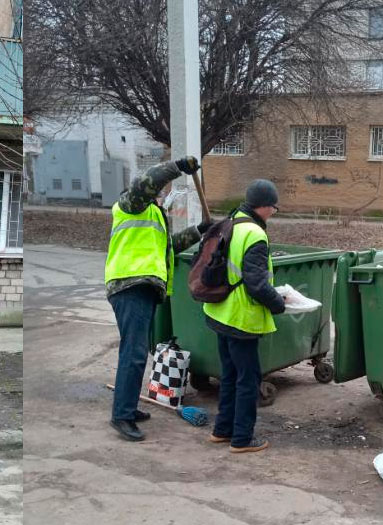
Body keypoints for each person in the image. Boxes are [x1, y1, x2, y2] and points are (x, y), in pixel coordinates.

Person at [105, 156, 212, 442]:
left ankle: (126, 407)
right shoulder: (130, 205)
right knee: (134, 352)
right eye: (159, 191)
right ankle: (122, 416)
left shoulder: (153, 216)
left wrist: (201, 231)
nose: (162, 195)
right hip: (130, 285)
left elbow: (170, 248)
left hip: (144, 287)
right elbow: (146, 183)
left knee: (137, 352)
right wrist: (177, 167)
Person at [203, 179, 287, 453]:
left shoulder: (233, 220)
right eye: (273, 207)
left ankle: (222, 430)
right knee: (248, 380)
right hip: (241, 318)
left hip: (220, 312)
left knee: (229, 375)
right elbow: (257, 284)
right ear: (263, 206)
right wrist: (279, 303)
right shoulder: (255, 234)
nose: (274, 212)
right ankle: (241, 438)